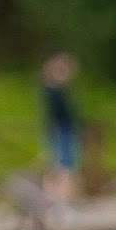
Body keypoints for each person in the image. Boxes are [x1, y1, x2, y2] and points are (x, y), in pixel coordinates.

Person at [40, 52, 82, 201]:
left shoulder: (56, 90)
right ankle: (61, 197)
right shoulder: (54, 90)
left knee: (64, 164)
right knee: (64, 165)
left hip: (62, 129)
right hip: (61, 129)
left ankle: (62, 196)